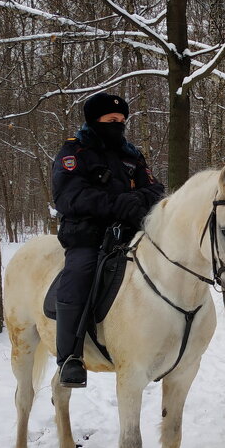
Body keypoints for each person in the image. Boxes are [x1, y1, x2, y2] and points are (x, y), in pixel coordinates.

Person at [51, 92, 165, 388]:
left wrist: (137, 198)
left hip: (130, 233)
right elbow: (68, 196)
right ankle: (70, 358)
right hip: (87, 235)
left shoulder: (131, 154)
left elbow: (154, 188)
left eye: (122, 121)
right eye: (111, 120)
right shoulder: (74, 153)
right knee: (80, 274)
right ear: (94, 120)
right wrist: (116, 203)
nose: (118, 125)